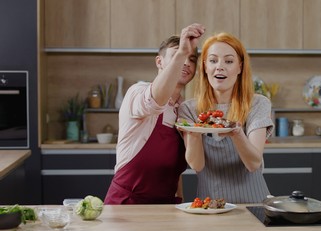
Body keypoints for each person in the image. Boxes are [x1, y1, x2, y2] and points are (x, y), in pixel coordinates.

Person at [104, 23, 205, 204]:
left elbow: (175, 168)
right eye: (178, 55)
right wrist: (182, 52)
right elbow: (156, 99)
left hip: (166, 206)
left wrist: (179, 200)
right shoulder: (138, 92)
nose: (187, 63)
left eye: (192, 59)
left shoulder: (184, 110)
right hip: (127, 203)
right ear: (159, 62)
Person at [178, 32, 274, 204]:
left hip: (254, 204)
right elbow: (196, 165)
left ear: (240, 67)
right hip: (212, 205)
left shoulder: (258, 104)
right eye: (213, 60)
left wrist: (237, 133)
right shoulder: (189, 110)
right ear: (205, 66)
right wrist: (193, 132)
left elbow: (253, 163)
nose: (220, 67)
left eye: (229, 61)